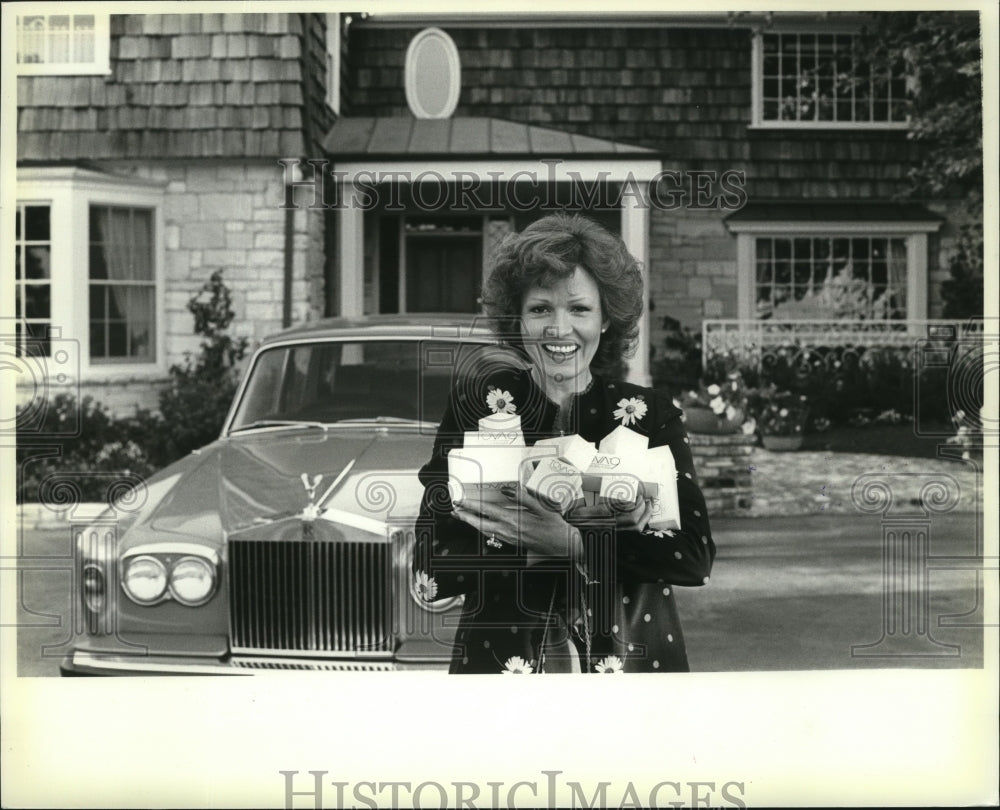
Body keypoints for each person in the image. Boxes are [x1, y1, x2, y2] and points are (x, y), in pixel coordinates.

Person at [412, 213, 714, 673]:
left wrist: (573, 543)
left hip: (628, 675)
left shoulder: (649, 414)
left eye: (579, 308)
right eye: (540, 309)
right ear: (517, 318)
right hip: (502, 671)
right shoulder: (479, 407)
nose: (559, 328)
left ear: (607, 317)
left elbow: (692, 557)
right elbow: (431, 564)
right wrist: (538, 541)